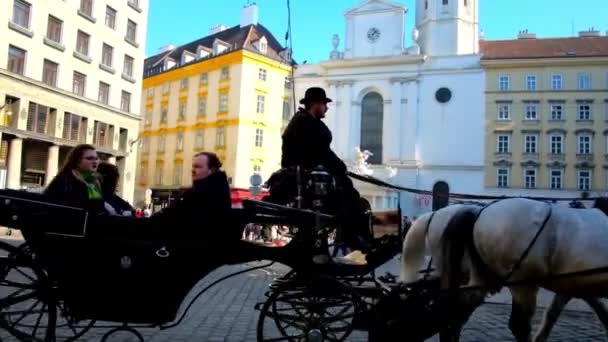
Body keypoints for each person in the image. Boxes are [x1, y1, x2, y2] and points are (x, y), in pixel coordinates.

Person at [280, 87, 374, 252]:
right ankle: (351, 236)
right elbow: (322, 153)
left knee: (350, 195)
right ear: (315, 104)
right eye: (324, 104)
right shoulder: (306, 124)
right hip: (310, 180)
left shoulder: (306, 122)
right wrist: (340, 168)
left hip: (312, 175)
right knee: (350, 198)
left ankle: (350, 235)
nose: (327, 108)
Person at [152, 152, 232, 238]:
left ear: (211, 170)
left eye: (198, 167)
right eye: (193, 166)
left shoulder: (206, 194)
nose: (193, 170)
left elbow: (175, 219)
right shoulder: (203, 190)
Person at [45, 144, 104, 211]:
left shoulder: (92, 180)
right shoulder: (64, 180)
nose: (95, 162)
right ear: (77, 161)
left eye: (96, 158)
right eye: (90, 158)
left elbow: (98, 208)